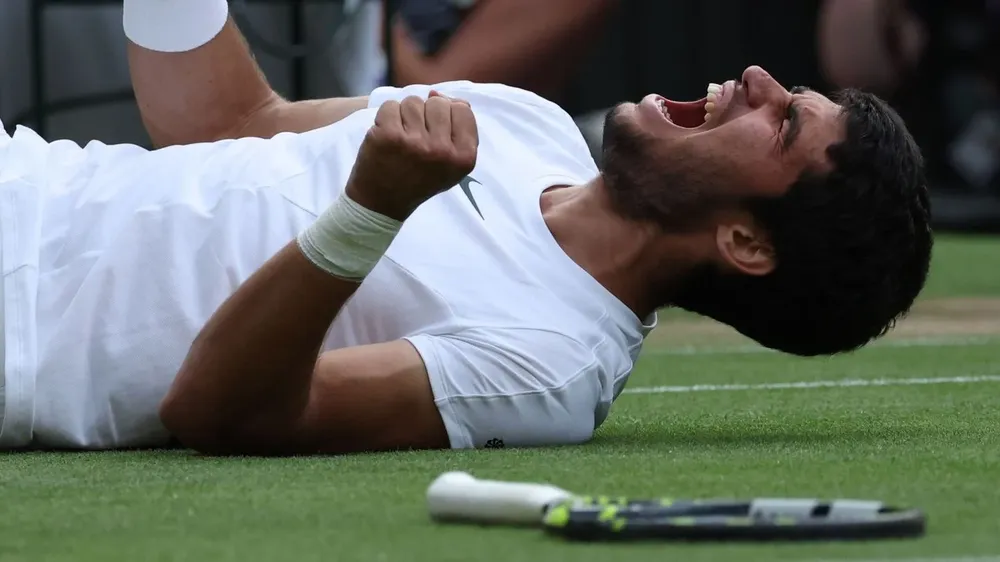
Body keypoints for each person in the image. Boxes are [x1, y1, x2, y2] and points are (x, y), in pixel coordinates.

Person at [0, 2, 931, 454]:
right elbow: (224, 126)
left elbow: (219, 410)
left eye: (783, 124)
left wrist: (372, 210)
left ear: (747, 245)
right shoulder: (526, 120)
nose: (760, 81)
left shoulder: (553, 366)